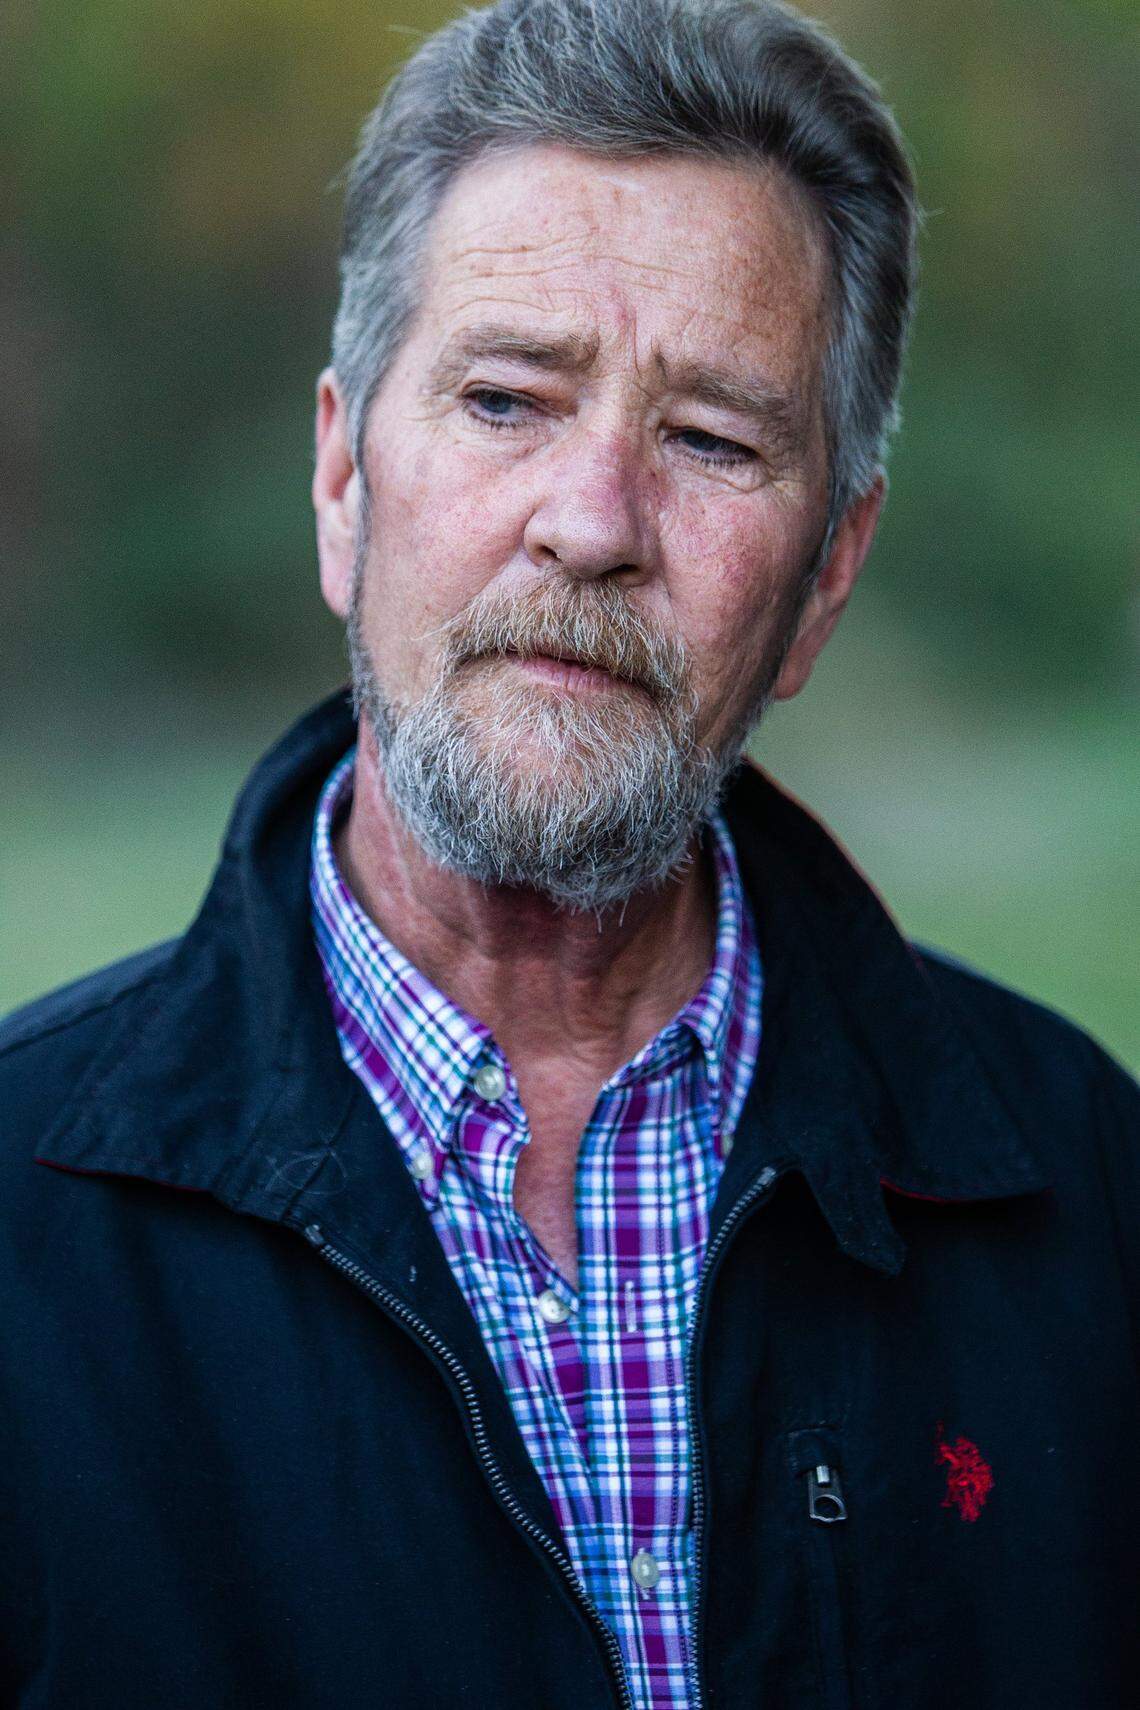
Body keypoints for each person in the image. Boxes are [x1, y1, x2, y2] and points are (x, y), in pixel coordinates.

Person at [1, 0, 1136, 1705]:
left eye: (712, 441)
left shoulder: (1092, 1197)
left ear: (827, 575)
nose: (593, 523)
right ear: (341, 478)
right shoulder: (21, 1241)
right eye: (507, 398)